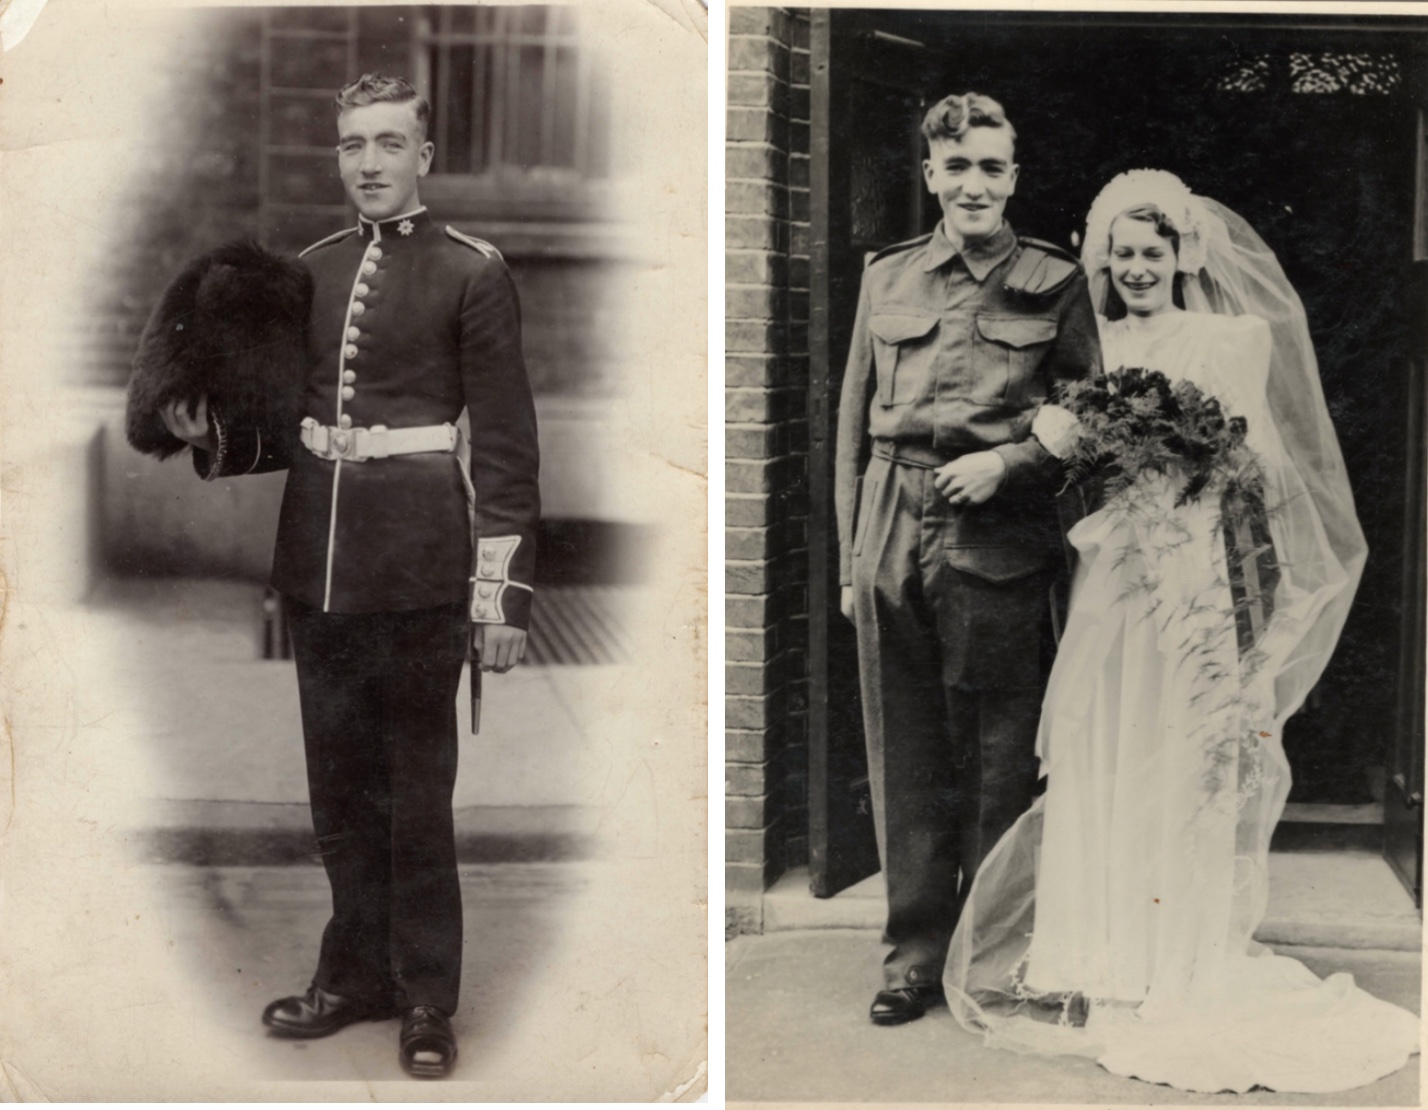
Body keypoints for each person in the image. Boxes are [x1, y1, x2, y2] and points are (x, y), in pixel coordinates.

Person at [943, 169, 1419, 1092]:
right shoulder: (1094, 343)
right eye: (1120, 256)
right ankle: (1095, 958)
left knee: (1179, 736)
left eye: (1151, 254)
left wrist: (1190, 467)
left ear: (1182, 256)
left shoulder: (1229, 336)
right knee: (1104, 736)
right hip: (1113, 563)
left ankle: (1174, 953)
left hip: (1194, 564)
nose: (1135, 271)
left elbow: (1262, 463)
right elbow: (1065, 440)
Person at [155, 72, 540, 1079]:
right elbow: (277, 421)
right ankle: (353, 973)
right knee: (339, 794)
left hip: (419, 565)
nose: (367, 163)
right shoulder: (311, 269)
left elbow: (503, 446)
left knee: (416, 795)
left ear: (425, 155)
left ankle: (425, 996)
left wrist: (500, 599)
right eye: (351, 146)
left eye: (386, 143)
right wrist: (204, 430)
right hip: (317, 565)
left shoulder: (472, 271)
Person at [833, 92, 1101, 1026]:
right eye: (958, 168)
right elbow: (852, 428)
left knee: (993, 754)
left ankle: (987, 954)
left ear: (1014, 177)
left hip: (999, 534)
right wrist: (852, 558)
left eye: (993, 167)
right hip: (893, 520)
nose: (975, 184)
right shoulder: (888, 276)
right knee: (903, 748)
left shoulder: (1056, 281)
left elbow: (1089, 417)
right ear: (930, 175)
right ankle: (911, 956)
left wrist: (1013, 462)